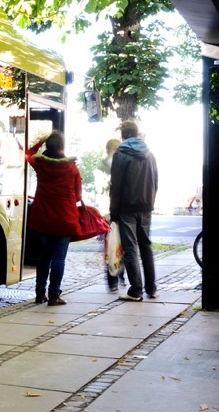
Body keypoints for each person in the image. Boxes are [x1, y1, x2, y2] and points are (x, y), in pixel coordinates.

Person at [26, 130, 82, 306]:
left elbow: (28, 154)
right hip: (64, 219)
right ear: (62, 146)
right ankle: (54, 295)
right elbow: (78, 196)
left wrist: (39, 142)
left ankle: (39, 294)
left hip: (42, 218)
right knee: (58, 258)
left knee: (44, 257)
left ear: (48, 146)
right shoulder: (72, 168)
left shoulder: (41, 164)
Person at [109, 121, 159, 302]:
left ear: (122, 135)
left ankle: (136, 290)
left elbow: (116, 186)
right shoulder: (149, 154)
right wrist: (150, 202)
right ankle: (151, 288)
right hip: (146, 206)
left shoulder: (121, 154)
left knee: (130, 248)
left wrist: (113, 211)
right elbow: (155, 182)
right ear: (137, 134)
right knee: (146, 246)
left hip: (127, 207)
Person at [98, 138, 126, 291]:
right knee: (123, 246)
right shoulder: (124, 163)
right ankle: (120, 275)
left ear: (108, 149)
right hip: (123, 212)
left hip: (109, 214)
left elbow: (102, 191)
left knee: (110, 247)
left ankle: (113, 280)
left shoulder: (104, 165)